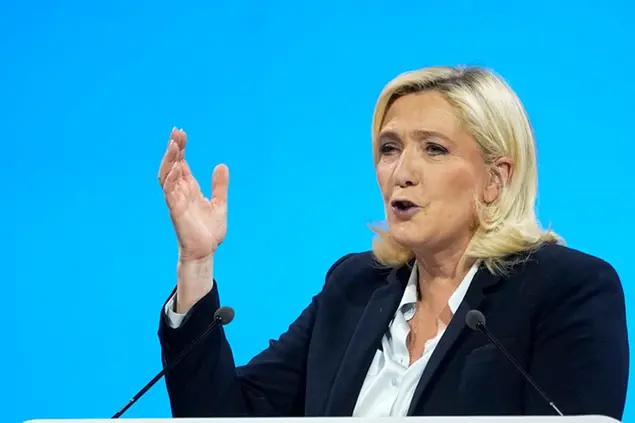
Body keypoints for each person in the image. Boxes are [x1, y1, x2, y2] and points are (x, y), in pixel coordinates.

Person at [156, 66, 629, 419]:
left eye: (434, 149)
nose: (401, 173)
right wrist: (196, 261)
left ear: (495, 180)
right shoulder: (354, 288)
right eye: (389, 148)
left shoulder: (568, 290)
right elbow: (224, 416)